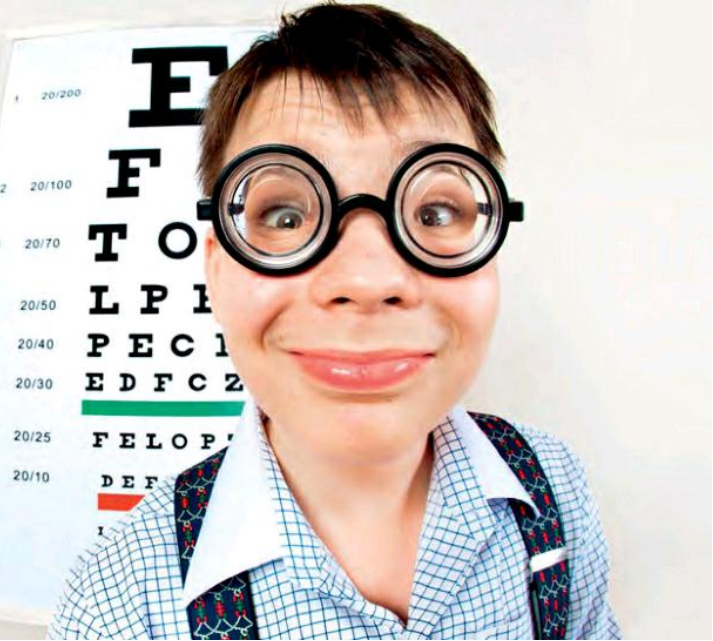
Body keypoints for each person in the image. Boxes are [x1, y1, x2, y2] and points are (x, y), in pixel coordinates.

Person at [46, 2, 623, 638]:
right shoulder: (122, 601)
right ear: (216, 265)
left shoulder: (553, 488)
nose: (367, 282)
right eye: (286, 217)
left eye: (433, 213)